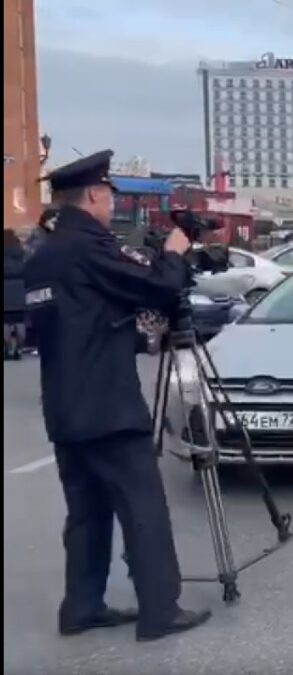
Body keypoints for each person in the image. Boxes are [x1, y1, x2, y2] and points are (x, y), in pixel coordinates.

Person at [23, 150, 211, 642]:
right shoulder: (87, 246)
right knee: (142, 505)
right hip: (108, 407)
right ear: (92, 195)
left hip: (63, 407)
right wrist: (173, 250)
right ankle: (160, 611)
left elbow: (79, 321)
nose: (111, 207)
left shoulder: (43, 255)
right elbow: (158, 288)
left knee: (87, 512)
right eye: (108, 196)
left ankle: (81, 607)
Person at [3, 229, 27, 359]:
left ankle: (7, 348)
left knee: (5, 322)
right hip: (20, 291)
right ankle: (19, 347)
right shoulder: (21, 254)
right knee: (20, 321)